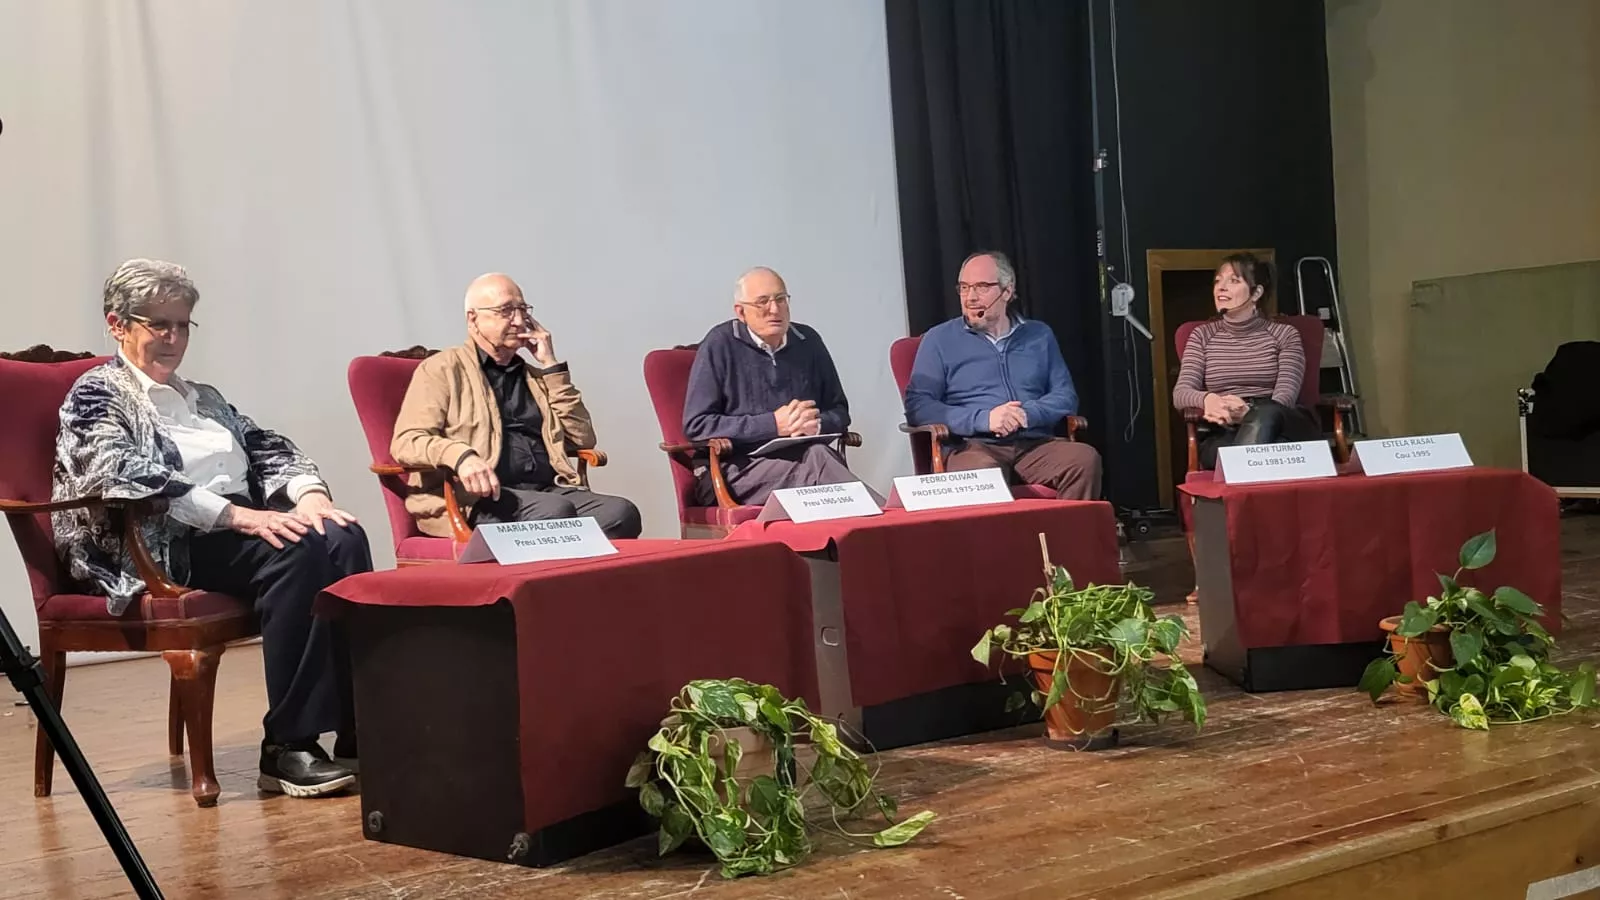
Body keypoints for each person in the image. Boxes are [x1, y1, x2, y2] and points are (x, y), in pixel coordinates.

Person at [52, 258, 369, 798]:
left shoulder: (203, 397)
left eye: (182, 325)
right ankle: (288, 747)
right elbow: (124, 472)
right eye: (160, 324)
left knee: (340, 534)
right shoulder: (95, 395)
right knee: (297, 551)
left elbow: (264, 444)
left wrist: (309, 495)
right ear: (117, 324)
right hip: (157, 545)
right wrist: (241, 516)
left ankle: (358, 732)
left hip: (230, 527)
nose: (174, 338)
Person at [391, 273, 642, 538]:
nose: (520, 320)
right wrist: (461, 456)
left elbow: (583, 439)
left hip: (546, 491)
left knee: (621, 513)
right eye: (506, 311)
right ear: (473, 319)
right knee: (555, 515)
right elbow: (407, 441)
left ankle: (575, 579)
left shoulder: (535, 377)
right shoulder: (442, 369)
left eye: (523, 309)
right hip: (477, 499)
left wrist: (552, 367)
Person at [903, 251, 1102, 500]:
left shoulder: (1039, 335)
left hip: (1034, 443)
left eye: (981, 287)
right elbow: (918, 405)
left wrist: (1025, 414)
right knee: (984, 475)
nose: (971, 297)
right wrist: (984, 419)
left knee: (1084, 460)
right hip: (972, 445)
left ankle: (1067, 540)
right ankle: (1008, 541)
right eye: (964, 288)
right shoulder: (939, 339)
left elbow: (1065, 396)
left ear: (1007, 291)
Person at [682, 266, 858, 506]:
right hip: (734, 469)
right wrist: (773, 424)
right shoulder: (720, 343)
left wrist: (815, 423)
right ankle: (881, 523)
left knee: (819, 455)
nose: (774, 309)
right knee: (819, 465)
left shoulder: (808, 341)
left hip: (803, 457)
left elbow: (839, 411)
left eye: (780, 299)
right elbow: (697, 425)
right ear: (741, 312)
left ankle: (869, 528)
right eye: (762, 302)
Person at [1171, 252, 1318, 469]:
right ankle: (1251, 479)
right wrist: (1208, 399)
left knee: (1266, 416)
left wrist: (1248, 412)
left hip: (1283, 424)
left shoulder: (1285, 335)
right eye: (1218, 281)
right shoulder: (1201, 336)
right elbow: (1180, 394)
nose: (1221, 288)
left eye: (1233, 281)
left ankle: (1242, 485)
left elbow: (1284, 398)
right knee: (1270, 451)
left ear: (1256, 292)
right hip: (1225, 432)